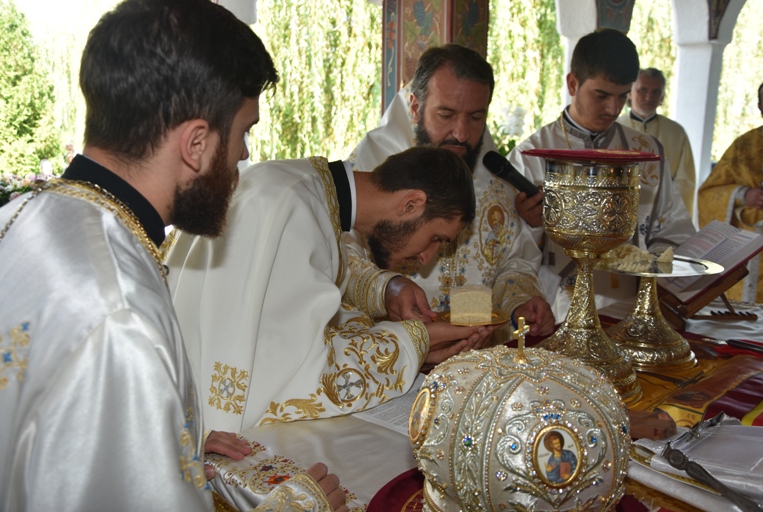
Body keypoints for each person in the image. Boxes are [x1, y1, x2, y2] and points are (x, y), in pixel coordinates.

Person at [0, 1, 347, 511]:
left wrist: (162, 444)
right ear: (196, 143)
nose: (244, 155)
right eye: (244, 132)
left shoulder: (21, 215)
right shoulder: (121, 318)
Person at [166, 146, 490, 431]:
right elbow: (303, 371)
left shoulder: (308, 189)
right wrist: (415, 341)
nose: (426, 257)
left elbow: (319, 290)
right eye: (436, 239)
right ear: (411, 204)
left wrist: (387, 292)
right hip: (209, 426)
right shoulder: (294, 211)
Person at [347, 44, 555, 342]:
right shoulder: (371, 171)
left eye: (475, 117)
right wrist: (387, 287)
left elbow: (512, 264)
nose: (461, 133)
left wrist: (519, 303)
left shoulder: (496, 184)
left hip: (475, 355)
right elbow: (342, 260)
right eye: (446, 115)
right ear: (415, 107)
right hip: (395, 354)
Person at [507, 29, 695, 322]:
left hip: (632, 307)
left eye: (622, 96)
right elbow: (509, 250)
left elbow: (671, 229)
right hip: (557, 308)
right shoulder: (530, 156)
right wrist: (531, 225)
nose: (613, 108)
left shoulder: (646, 152)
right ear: (573, 83)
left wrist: (655, 267)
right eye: (601, 95)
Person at [698, 78, 763, 305]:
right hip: (747, 248)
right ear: (760, 105)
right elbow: (708, 193)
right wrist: (743, 194)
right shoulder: (744, 145)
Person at [618, 68, 697, 217]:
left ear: (662, 97)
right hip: (620, 210)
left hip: (663, 213)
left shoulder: (676, 132)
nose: (649, 97)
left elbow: (686, 181)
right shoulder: (614, 128)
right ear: (630, 92)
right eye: (643, 90)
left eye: (656, 92)